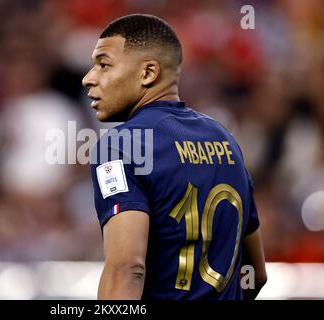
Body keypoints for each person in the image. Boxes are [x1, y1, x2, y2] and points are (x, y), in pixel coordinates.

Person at [82, 14, 267, 300]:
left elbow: (127, 268)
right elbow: (256, 273)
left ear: (147, 73)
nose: (88, 78)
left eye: (104, 65)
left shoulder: (122, 145)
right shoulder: (226, 141)